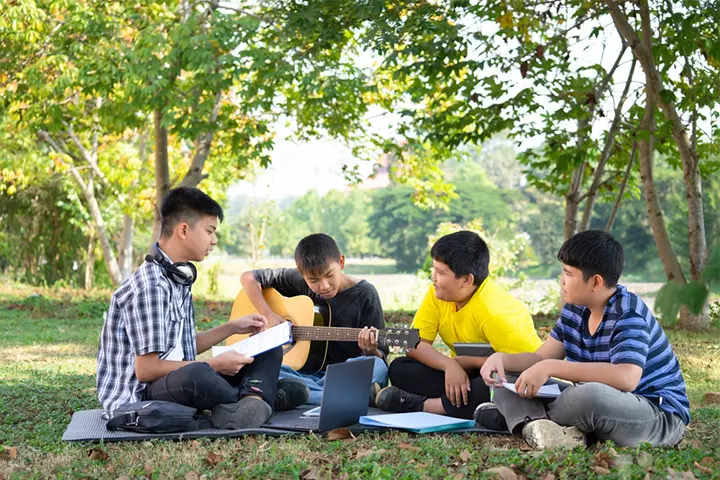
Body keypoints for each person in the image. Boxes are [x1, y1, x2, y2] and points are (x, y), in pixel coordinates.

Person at [97, 187, 308, 429]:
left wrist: (232, 328)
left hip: (174, 379)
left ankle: (251, 400)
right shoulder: (151, 286)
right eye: (210, 231)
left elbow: (183, 347)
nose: (214, 240)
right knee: (198, 375)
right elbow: (147, 369)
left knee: (268, 348)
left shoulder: (178, 279)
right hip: (142, 396)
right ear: (184, 230)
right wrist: (215, 365)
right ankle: (257, 396)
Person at [475, 230, 690, 449]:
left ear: (596, 282)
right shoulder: (575, 309)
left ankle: (520, 418)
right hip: (599, 410)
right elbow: (540, 357)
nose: (562, 281)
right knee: (510, 378)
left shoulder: (628, 314)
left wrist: (550, 367)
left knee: (589, 396)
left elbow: (626, 378)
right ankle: (541, 427)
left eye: (568, 273)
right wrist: (501, 359)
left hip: (655, 415)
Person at [375, 230, 542, 419]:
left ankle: (424, 405)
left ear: (466, 280)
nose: (433, 278)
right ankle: (468, 406)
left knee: (492, 388)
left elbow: (529, 366)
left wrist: (469, 363)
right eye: (434, 269)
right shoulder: (437, 293)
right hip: (461, 374)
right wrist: (449, 366)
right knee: (400, 368)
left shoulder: (495, 312)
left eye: (440, 272)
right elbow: (414, 344)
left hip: (500, 379)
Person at [239, 233, 388, 405]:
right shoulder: (300, 280)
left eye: (329, 275)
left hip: (342, 373)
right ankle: (344, 395)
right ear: (303, 275)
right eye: (313, 280)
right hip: (300, 372)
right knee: (251, 364)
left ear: (341, 262)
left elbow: (380, 356)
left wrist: (370, 350)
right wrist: (268, 314)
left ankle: (299, 394)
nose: (323, 285)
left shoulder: (365, 294)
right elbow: (248, 278)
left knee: (378, 368)